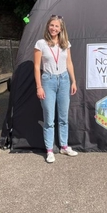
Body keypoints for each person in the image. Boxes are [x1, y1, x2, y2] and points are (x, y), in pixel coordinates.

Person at [34, 15, 78, 163]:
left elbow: (69, 63)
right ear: (48, 26)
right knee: (49, 119)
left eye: (57, 26)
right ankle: (50, 150)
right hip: (48, 81)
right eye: (51, 25)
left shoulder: (65, 44)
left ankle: (64, 146)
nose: (54, 28)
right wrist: (39, 86)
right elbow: (36, 66)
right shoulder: (41, 44)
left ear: (61, 28)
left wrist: (73, 81)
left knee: (63, 117)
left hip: (64, 80)